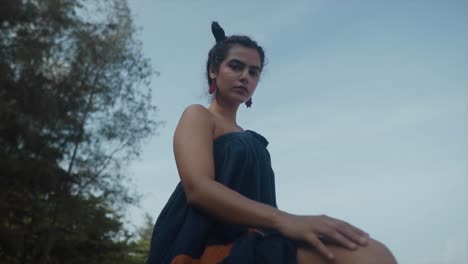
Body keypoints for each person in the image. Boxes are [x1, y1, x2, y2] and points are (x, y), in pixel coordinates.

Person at [147, 22, 398, 264]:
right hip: (202, 243)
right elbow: (198, 189)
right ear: (214, 70)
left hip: (258, 238)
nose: (245, 76)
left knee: (370, 252)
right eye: (236, 66)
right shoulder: (199, 115)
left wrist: (283, 226)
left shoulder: (252, 139)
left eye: (253, 72)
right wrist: (286, 220)